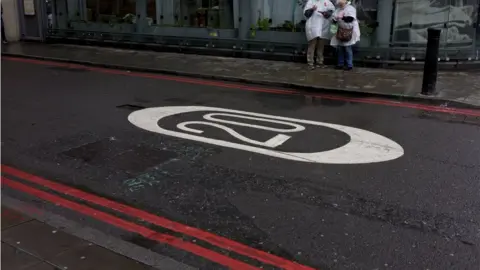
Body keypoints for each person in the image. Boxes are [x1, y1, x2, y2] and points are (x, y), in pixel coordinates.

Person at [304, 0, 335, 70]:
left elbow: (332, 11)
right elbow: (306, 14)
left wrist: (326, 13)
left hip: (323, 26)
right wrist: (312, 9)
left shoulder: (327, 2)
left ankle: (320, 62)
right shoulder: (310, 2)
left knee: (321, 45)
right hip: (313, 26)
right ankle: (310, 63)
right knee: (312, 45)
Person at [331, 0, 360, 70]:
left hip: (349, 31)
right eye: (339, 4)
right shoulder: (338, 10)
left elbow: (350, 19)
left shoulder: (350, 9)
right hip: (340, 30)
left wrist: (342, 17)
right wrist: (335, 19)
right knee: (340, 48)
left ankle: (349, 65)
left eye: (341, 3)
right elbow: (333, 19)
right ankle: (340, 64)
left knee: (347, 48)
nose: (340, 5)